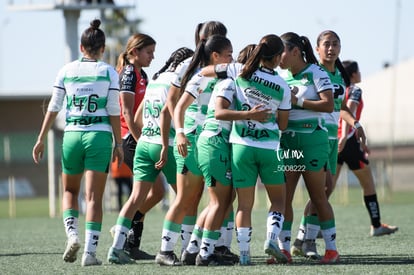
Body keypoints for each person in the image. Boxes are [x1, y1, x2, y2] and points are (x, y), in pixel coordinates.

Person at [32, 19, 123, 266]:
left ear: (82, 47)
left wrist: (41, 138)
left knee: (70, 191)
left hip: (72, 135)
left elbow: (53, 107)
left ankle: (72, 235)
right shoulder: (108, 72)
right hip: (99, 136)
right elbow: (114, 109)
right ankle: (90, 254)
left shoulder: (66, 71)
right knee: (94, 197)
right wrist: (119, 143)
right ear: (102, 49)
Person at [107, 47, 195, 264]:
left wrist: (146, 138)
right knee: (187, 198)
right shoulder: (178, 81)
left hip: (144, 143)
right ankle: (186, 250)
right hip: (166, 144)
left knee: (135, 198)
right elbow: (170, 113)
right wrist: (165, 143)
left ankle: (116, 249)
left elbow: (136, 118)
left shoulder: (155, 80)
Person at [155, 34, 233, 266]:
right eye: (228, 55)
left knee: (215, 199)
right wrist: (179, 132)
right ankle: (166, 251)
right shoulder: (200, 76)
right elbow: (178, 107)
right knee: (187, 199)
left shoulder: (223, 74)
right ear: (215, 56)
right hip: (193, 140)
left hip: (206, 141)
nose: (232, 59)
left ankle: (192, 249)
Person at [290, 30, 367, 258]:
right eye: (326, 44)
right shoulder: (314, 72)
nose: (331, 48)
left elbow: (339, 108)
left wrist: (355, 124)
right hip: (316, 136)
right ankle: (307, 241)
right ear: (317, 48)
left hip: (333, 139)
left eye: (335, 44)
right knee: (320, 192)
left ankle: (301, 239)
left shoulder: (341, 76)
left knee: (325, 191)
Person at [276, 32, 339, 264]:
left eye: (281, 52)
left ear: (294, 52)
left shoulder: (316, 72)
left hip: (313, 140)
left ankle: (331, 250)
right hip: (288, 143)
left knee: (318, 196)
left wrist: (298, 102)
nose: (278, 57)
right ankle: (282, 249)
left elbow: (328, 104)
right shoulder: (280, 75)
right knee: (284, 198)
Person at [335, 60, 398, 237]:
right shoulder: (354, 89)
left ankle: (312, 227)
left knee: (327, 188)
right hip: (348, 142)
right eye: (359, 70)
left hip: (334, 142)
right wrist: (346, 137)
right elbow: (351, 113)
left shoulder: (335, 88)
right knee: (368, 184)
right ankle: (376, 225)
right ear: (353, 74)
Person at [116, 33, 163, 260]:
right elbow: (126, 111)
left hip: (141, 139)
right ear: (134, 51)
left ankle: (130, 242)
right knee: (148, 193)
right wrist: (140, 138)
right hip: (131, 140)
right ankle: (123, 234)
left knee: (155, 192)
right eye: (149, 52)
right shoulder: (128, 74)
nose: (153, 57)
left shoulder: (141, 74)